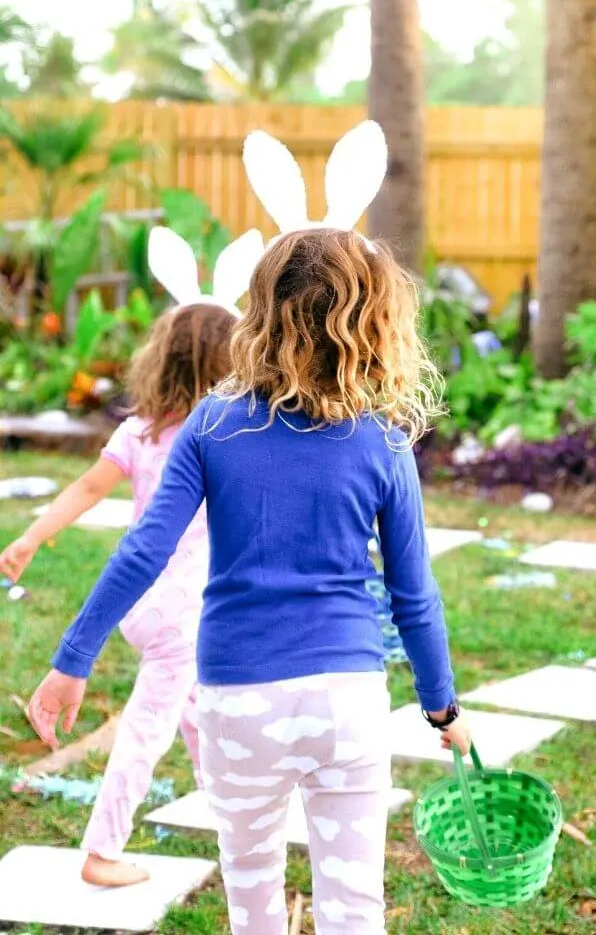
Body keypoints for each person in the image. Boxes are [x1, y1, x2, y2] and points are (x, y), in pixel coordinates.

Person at [27, 227, 470, 933]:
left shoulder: (212, 424)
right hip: (346, 701)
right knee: (355, 910)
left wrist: (71, 660)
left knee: (254, 907)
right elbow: (412, 595)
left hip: (240, 701)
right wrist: (441, 708)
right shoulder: (383, 438)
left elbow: (145, 549)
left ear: (261, 314)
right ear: (373, 320)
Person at [1, 300, 237, 888]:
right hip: (184, 609)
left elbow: (86, 488)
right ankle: (102, 851)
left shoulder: (138, 431)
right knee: (146, 729)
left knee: (191, 704)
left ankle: (221, 800)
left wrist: (31, 537)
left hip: (139, 601)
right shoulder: (223, 434)